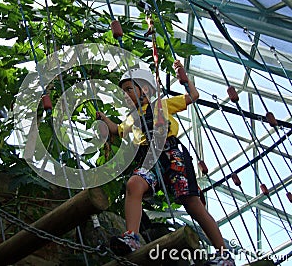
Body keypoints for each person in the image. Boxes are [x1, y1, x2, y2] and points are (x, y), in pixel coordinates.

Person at [96, 60, 235, 266]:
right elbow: (117, 130)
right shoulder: (131, 118)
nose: (125, 95)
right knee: (134, 184)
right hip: (148, 157)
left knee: (193, 204)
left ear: (144, 89)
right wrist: (104, 119)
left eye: (128, 89)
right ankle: (132, 237)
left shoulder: (161, 104)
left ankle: (224, 254)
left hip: (170, 153)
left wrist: (184, 79)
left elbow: (193, 97)